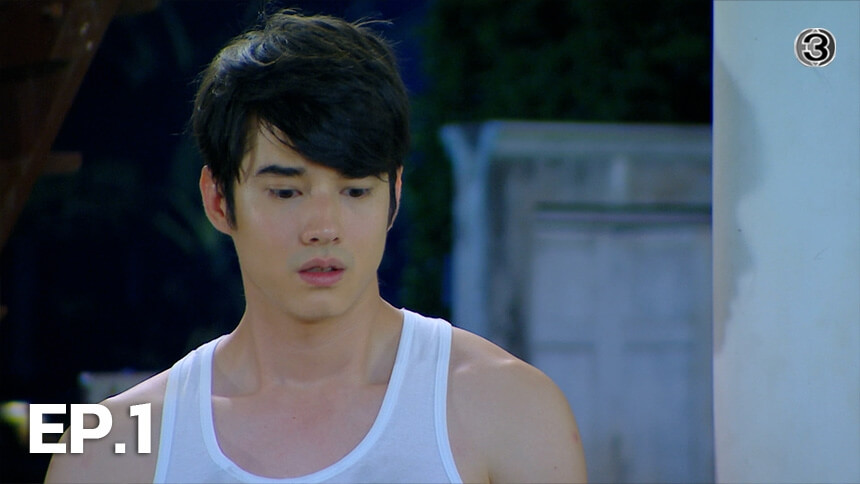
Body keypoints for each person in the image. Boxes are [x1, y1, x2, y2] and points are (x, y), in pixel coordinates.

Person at [45, 9, 587, 483]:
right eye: (286, 192)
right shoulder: (112, 447)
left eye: (356, 191)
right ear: (218, 199)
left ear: (394, 196)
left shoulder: (508, 408)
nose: (324, 227)